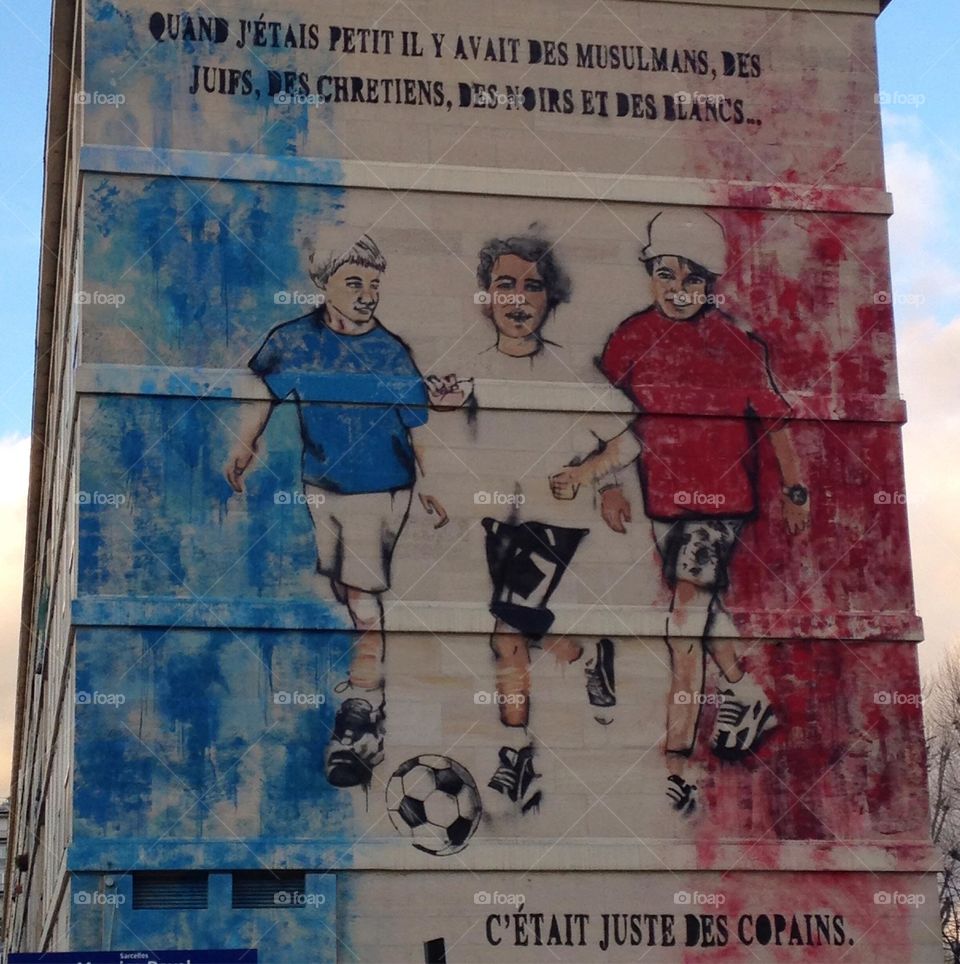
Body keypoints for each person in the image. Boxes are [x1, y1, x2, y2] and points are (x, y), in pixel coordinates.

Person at [550, 210, 810, 816]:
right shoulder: (630, 339)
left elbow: (775, 423)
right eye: (664, 273)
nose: (676, 287)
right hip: (663, 503)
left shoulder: (737, 345)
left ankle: (678, 762)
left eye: (689, 278)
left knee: (682, 629)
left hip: (716, 508)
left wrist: (795, 489)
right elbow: (613, 421)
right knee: (702, 613)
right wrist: (602, 481)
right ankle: (747, 694)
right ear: (651, 275)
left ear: (709, 283)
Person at [224, 232, 448, 790]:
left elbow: (418, 425)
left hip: (381, 486)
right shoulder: (294, 340)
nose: (368, 294)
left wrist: (431, 481)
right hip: (321, 484)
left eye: (374, 284)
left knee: (362, 591)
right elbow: (264, 392)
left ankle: (362, 710)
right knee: (348, 591)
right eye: (355, 283)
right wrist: (244, 446)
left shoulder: (389, 350)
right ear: (324, 285)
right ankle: (370, 686)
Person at [476, 234, 572, 358]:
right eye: (505, 286)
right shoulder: (473, 362)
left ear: (549, 297)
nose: (518, 298)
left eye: (532, 287)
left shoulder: (565, 358)